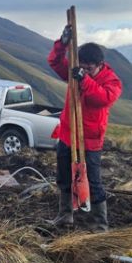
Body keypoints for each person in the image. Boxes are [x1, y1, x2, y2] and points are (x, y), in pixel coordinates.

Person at [46, 25, 122, 231]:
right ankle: (65, 216)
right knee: (63, 176)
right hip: (67, 134)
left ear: (100, 65)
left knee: (93, 182)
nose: (85, 70)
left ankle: (98, 226)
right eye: (83, 66)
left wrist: (84, 79)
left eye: (89, 68)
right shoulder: (75, 70)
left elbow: (103, 99)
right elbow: (54, 61)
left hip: (89, 140)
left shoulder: (111, 81)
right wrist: (62, 44)